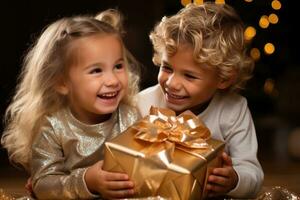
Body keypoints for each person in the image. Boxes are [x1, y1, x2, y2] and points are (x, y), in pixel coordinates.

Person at [1, 9, 141, 199]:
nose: (112, 80)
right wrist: (87, 181)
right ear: (62, 82)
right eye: (96, 70)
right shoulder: (53, 128)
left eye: (118, 66)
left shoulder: (130, 116)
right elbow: (42, 184)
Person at [136, 2, 264, 199]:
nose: (172, 83)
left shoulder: (234, 110)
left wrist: (235, 179)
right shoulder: (142, 102)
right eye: (167, 68)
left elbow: (252, 173)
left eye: (189, 76)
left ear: (223, 78)